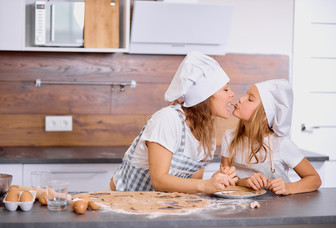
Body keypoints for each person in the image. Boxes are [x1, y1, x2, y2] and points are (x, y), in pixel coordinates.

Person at [110, 51, 238, 194]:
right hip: (126, 200)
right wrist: (205, 185)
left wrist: (215, 181)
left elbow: (193, 185)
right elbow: (159, 180)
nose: (232, 94)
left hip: (162, 205)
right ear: (205, 96)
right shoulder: (168, 119)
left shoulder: (206, 133)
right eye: (225, 89)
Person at [221, 79, 321, 195]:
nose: (241, 99)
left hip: (278, 209)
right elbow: (224, 178)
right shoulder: (229, 137)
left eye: (250, 99)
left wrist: (289, 188)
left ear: (265, 115)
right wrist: (244, 182)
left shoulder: (281, 144)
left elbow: (315, 179)